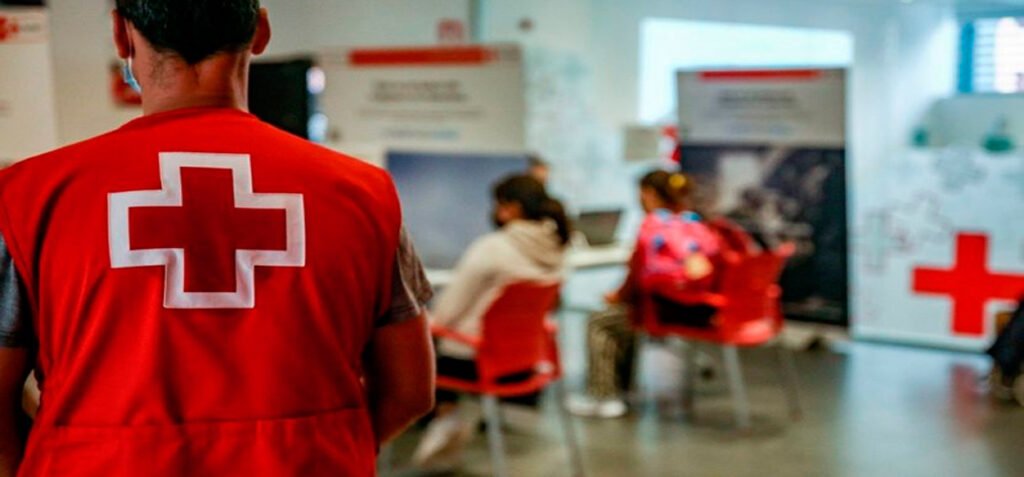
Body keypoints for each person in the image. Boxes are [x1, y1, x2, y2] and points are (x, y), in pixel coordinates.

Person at [0, 1, 436, 475]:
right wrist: (328, 447)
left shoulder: (28, 196)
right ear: (261, 31)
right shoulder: (363, 194)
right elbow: (410, 391)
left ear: (121, 35)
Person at [412, 174, 570, 468]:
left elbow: (446, 314)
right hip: (526, 362)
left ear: (511, 208)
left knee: (416, 347)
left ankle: (445, 416)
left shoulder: (493, 247)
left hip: (478, 362)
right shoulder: (559, 247)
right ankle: (452, 417)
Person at [567, 170, 720, 419]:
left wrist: (617, 297)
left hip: (660, 310)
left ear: (648, 194)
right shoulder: (697, 223)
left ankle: (604, 397)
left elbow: (636, 277)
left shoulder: (652, 226)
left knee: (601, 322)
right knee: (622, 319)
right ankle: (623, 390)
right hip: (700, 307)